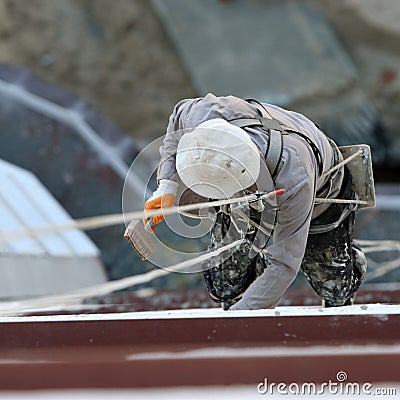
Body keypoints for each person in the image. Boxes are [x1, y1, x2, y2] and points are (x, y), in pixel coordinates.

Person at [144, 93, 367, 310]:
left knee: (332, 285)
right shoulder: (202, 114)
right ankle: (251, 272)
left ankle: (351, 263)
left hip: (321, 189)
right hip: (245, 193)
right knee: (224, 282)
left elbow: (285, 264)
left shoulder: (295, 176)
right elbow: (176, 119)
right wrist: (166, 187)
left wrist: (241, 316)